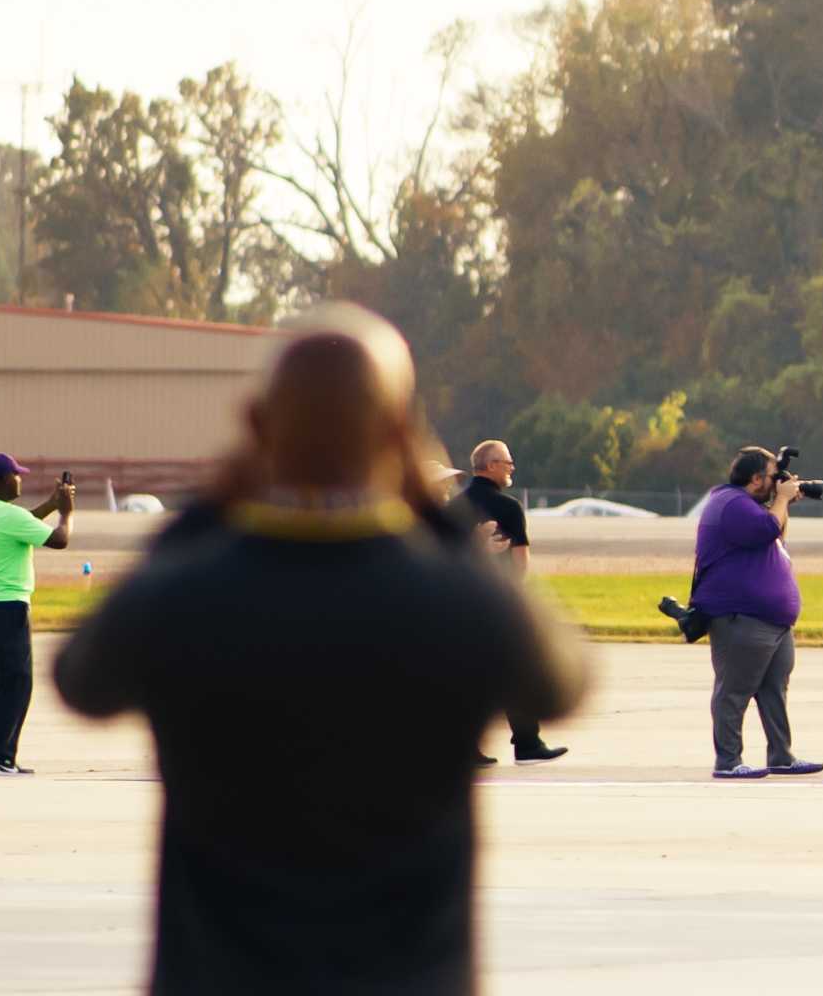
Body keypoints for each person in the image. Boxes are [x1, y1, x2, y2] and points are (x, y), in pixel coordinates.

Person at [52, 302, 588, 996]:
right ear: (397, 436)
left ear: (257, 431)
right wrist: (443, 524)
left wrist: (205, 510)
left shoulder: (190, 592)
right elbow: (562, 683)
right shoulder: (454, 598)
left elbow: (80, 682)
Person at [691, 445, 823, 780]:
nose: (776, 483)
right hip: (741, 618)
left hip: (772, 622)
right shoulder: (731, 503)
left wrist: (782, 505)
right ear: (754, 479)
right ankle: (728, 761)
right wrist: (780, 501)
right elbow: (766, 529)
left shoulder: (748, 505)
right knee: (733, 692)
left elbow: (773, 535)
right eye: (772, 477)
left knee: (774, 690)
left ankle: (781, 755)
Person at [450, 440, 567, 766]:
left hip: (459, 603)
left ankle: (466, 746)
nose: (512, 468)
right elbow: (520, 564)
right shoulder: (509, 508)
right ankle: (527, 742)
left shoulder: (454, 508)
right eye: (507, 462)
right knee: (517, 672)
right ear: (489, 466)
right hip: (496, 602)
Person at [0, 453, 73, 774]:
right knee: (15, 681)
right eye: (17, 475)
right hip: (7, 607)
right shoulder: (10, 516)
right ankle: (0, 757)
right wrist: (66, 514)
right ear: (5, 480)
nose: (20, 479)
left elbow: (20, 525)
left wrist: (50, 504)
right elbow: (59, 540)